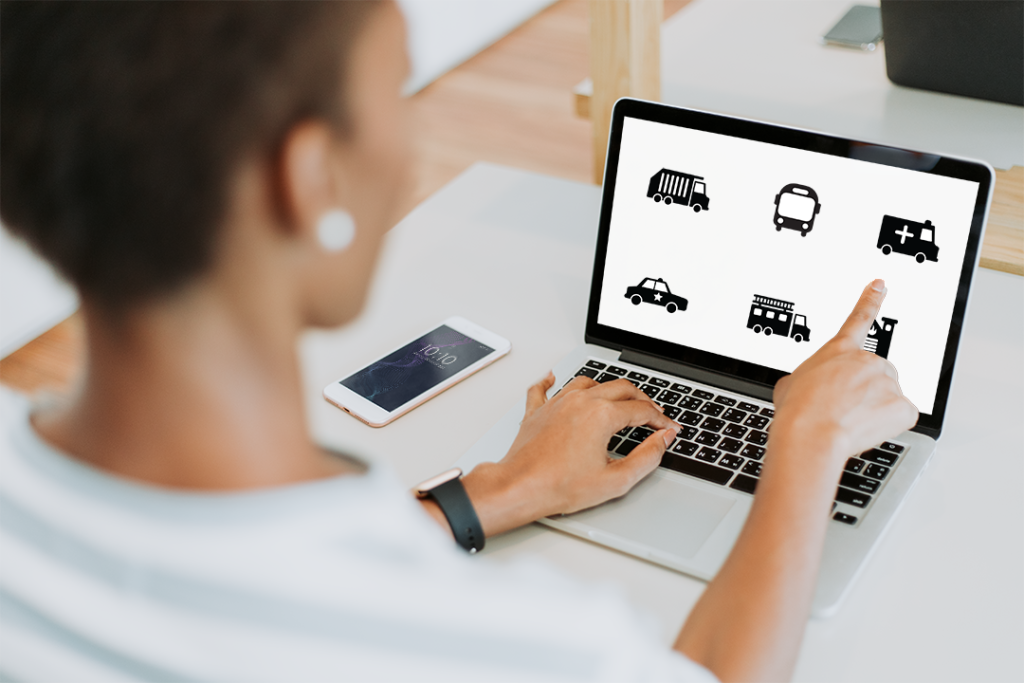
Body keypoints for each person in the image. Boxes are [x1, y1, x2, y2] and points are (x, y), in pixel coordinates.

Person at [0, 1, 918, 681]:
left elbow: (245, 566)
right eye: (397, 92)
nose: (408, 146)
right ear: (310, 178)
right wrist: (804, 438)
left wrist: (498, 490)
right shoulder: (483, 648)